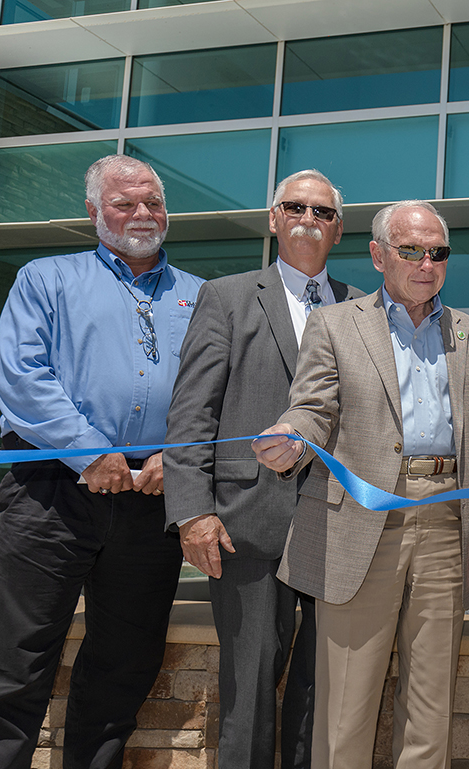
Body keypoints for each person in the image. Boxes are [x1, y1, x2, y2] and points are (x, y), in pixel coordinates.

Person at [252, 200, 469, 769]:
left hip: (447, 520)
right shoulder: (334, 324)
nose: (425, 263)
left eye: (437, 253)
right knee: (346, 705)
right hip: (361, 520)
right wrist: (291, 437)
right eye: (410, 250)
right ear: (377, 255)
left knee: (431, 703)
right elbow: (312, 408)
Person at [0, 155, 204, 769]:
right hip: (50, 493)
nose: (142, 214)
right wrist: (91, 454)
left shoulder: (201, 296)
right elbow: (20, 378)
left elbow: (213, 394)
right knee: (14, 663)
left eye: (153, 203)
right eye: (124, 203)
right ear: (94, 212)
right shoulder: (45, 278)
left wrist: (179, 457)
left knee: (124, 666)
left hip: (152, 498)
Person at [164, 169, 363, 768]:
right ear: (274, 219)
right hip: (244, 526)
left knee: (320, 689)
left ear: (339, 228)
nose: (309, 219)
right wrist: (193, 512)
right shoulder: (225, 297)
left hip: (336, 528)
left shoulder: (360, 308)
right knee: (248, 689)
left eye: (322, 212)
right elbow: (192, 411)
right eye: (295, 207)